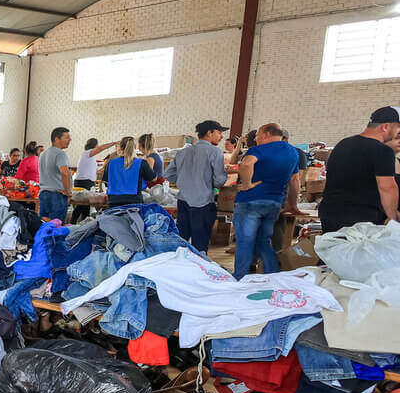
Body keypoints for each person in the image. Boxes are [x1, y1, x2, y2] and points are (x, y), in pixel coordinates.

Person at [232, 122, 301, 279]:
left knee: (245, 242)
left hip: (251, 201)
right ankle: (273, 276)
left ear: (267, 134)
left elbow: (246, 164)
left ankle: (239, 277)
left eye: (257, 136)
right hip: (274, 203)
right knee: (262, 242)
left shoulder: (259, 150)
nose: (256, 139)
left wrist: (247, 183)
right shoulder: (293, 152)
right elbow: (295, 180)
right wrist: (293, 204)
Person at [318, 106, 400, 232]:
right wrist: (393, 218)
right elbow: (387, 187)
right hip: (361, 220)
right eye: (397, 129)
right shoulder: (383, 151)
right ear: (385, 127)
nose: (397, 134)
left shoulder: (343, 144)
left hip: (330, 216)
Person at [165, 120, 228, 252]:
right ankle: (199, 267)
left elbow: (168, 174)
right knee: (200, 243)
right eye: (219, 133)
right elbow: (219, 181)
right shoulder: (215, 152)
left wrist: (185, 181)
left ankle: (181, 267)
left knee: (182, 241)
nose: (221, 136)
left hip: (183, 201)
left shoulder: (183, 152)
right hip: (203, 203)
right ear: (209, 133)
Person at [70, 138, 114, 223]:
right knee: (82, 204)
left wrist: (99, 171)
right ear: (95, 145)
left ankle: (83, 222)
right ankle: (74, 222)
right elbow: (101, 148)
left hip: (86, 181)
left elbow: (90, 170)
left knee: (86, 205)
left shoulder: (90, 156)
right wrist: (113, 143)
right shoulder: (88, 153)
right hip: (83, 182)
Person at [101, 135, 150, 208]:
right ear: (135, 148)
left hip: (114, 201)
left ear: (120, 147)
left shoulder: (111, 163)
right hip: (134, 201)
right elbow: (152, 178)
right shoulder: (141, 163)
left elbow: (105, 181)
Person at [38, 128, 73, 221]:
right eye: (67, 137)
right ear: (56, 139)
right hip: (57, 196)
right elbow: (65, 173)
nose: (70, 140)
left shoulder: (43, 154)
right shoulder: (60, 154)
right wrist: (68, 192)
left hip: (43, 194)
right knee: (56, 227)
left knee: (45, 226)